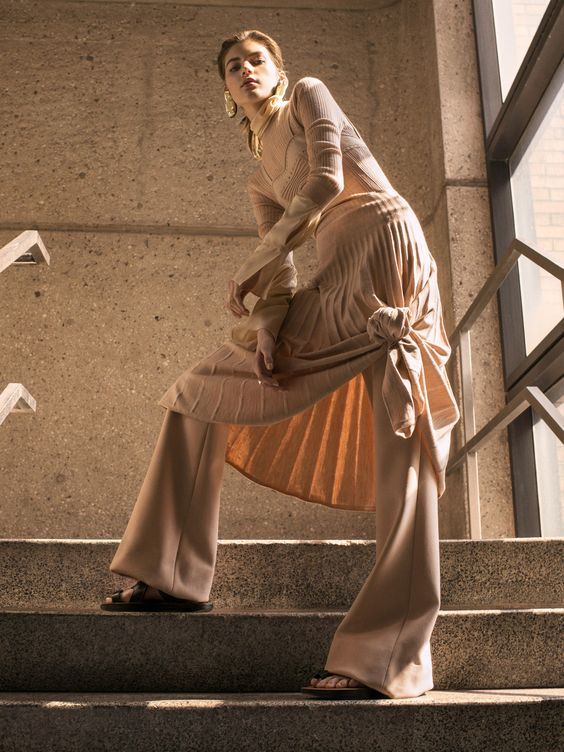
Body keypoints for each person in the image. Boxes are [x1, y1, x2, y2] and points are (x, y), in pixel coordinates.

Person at [101, 29, 460, 701]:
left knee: (402, 447)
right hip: (331, 278)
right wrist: (267, 328)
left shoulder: (311, 98)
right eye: (233, 66)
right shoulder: (259, 174)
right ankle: (170, 570)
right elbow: (285, 278)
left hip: (386, 248)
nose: (245, 70)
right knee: (198, 391)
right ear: (226, 91)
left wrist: (252, 264)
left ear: (278, 69)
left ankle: (386, 661)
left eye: (256, 59)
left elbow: (326, 180)